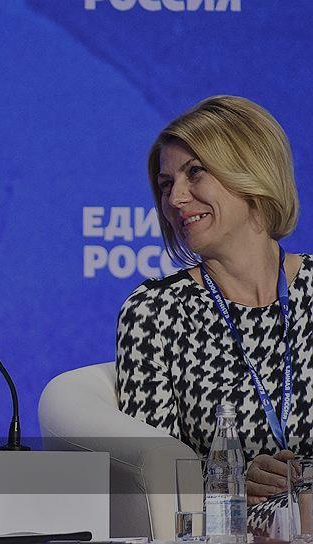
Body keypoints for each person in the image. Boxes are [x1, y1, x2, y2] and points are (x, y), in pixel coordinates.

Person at [116, 95, 311, 533]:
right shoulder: (155, 312)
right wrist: (234, 478)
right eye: (165, 184)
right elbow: (150, 477)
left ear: (252, 171)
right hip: (232, 517)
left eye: (195, 172)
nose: (175, 198)